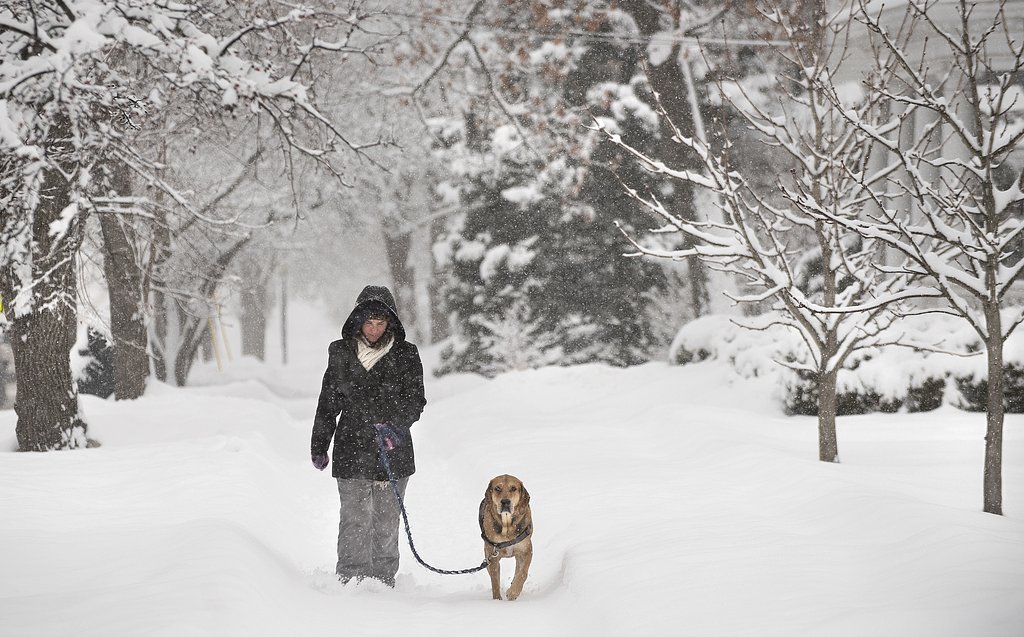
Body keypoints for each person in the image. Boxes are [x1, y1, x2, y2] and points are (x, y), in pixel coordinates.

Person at [310, 285, 427, 587]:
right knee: (355, 517)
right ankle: (351, 578)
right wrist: (320, 444)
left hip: (393, 449)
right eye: (369, 323)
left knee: (386, 519)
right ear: (358, 321)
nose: (374, 330)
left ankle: (383, 578)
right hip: (352, 446)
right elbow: (328, 402)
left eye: (381, 323)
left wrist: (396, 425)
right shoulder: (340, 353)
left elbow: (416, 400)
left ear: (390, 324)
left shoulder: (406, 354)